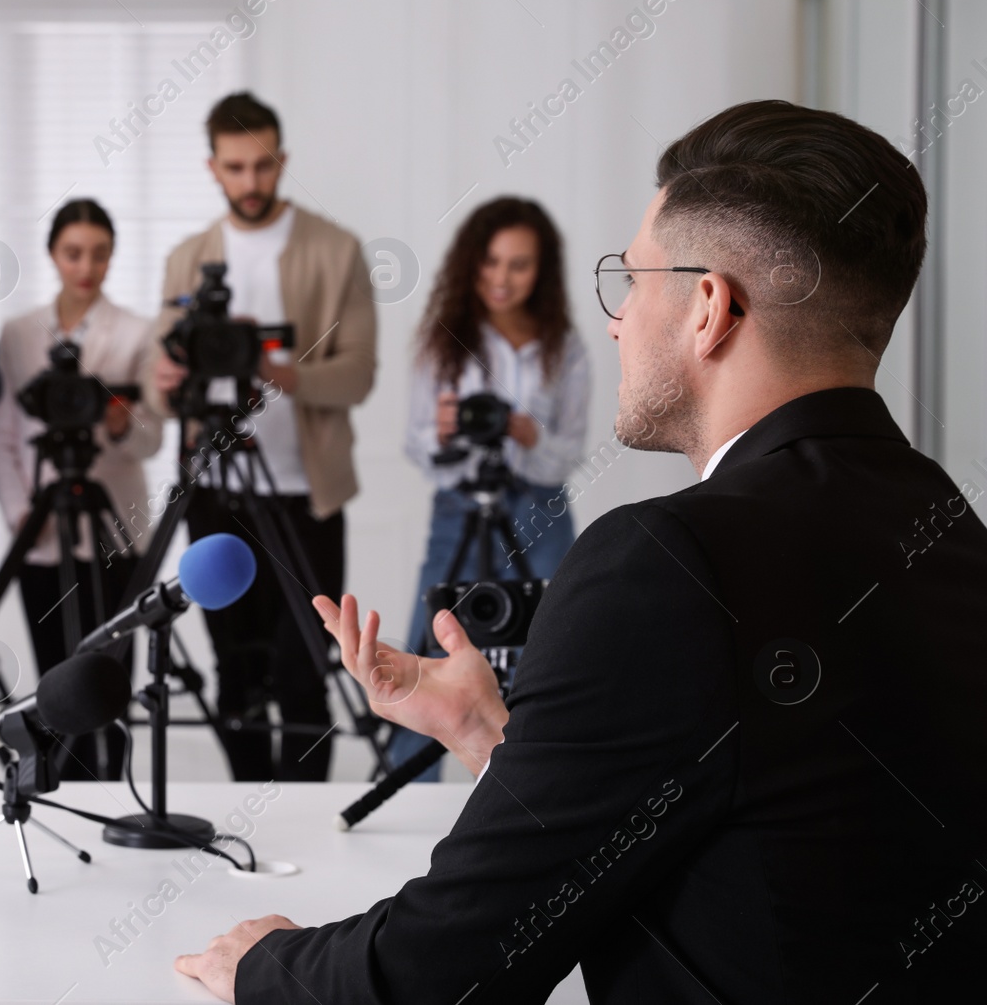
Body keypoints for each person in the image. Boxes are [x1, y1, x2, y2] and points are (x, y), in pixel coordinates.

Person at [177, 100, 987, 1001]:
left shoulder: (665, 560)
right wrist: (490, 736)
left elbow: (441, 975)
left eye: (634, 280)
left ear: (708, 309)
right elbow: (763, 830)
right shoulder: (946, 525)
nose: (617, 321)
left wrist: (266, 962)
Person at [143, 92, 377, 782]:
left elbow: (358, 375)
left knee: (306, 661)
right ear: (213, 168)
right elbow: (166, 386)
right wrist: (165, 377)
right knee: (234, 664)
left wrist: (271, 367)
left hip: (307, 490)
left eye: (264, 166)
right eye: (236, 168)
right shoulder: (189, 259)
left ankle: (305, 811)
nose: (251, 182)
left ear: (283, 162)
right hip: (215, 490)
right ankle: (250, 804)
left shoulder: (335, 250)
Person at [390, 197, 590, 779]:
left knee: (555, 645)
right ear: (470, 262)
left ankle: (546, 782)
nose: (502, 279)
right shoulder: (444, 339)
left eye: (519, 265)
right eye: (491, 262)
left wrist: (528, 434)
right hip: (459, 504)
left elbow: (570, 451)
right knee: (430, 646)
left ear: (542, 270)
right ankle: (412, 784)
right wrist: (445, 432)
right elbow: (416, 444)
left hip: (539, 508)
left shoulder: (565, 346)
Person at [0, 199, 163, 780]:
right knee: (56, 672)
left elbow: (153, 436)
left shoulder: (137, 333)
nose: (87, 266)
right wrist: (19, 513)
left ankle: (115, 785)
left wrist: (120, 424)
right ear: (53, 255)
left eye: (100, 254)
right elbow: (2, 433)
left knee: (111, 672)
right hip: (43, 525)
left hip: (116, 528)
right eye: (74, 253)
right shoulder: (17, 334)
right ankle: (61, 777)